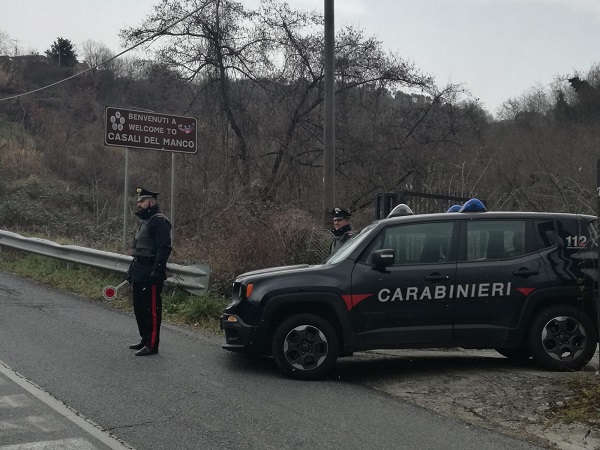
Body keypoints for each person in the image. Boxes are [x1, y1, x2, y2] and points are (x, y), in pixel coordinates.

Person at [127, 187, 172, 356]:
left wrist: (157, 270)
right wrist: (131, 269)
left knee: (151, 310)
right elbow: (139, 249)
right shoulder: (145, 221)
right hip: (139, 269)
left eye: (142, 201)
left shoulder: (159, 221)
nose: (138, 204)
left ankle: (152, 344)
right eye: (138, 201)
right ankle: (144, 339)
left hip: (150, 271)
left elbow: (164, 248)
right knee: (139, 308)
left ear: (151, 202)